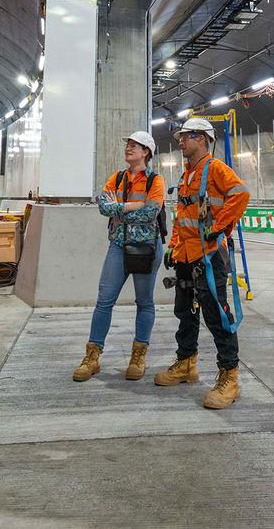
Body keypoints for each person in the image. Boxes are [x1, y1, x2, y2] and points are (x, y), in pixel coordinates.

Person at [154, 117, 250, 409]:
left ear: (202, 138)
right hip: (186, 255)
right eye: (180, 137)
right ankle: (186, 364)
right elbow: (184, 216)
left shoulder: (215, 169)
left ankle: (230, 378)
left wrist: (220, 227)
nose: (180, 141)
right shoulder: (187, 174)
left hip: (208, 258)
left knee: (217, 316)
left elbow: (240, 194)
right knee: (185, 311)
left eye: (186, 136)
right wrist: (172, 247)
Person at [72, 130, 167, 382]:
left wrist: (119, 209)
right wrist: (130, 205)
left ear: (146, 152)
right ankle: (92, 357)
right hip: (118, 245)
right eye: (128, 145)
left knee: (144, 302)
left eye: (135, 146)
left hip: (147, 247)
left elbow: (150, 213)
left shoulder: (155, 181)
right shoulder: (117, 177)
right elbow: (103, 206)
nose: (129, 148)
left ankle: (138, 356)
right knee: (104, 300)